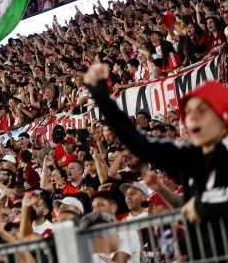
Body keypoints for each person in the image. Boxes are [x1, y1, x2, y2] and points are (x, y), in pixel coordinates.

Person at [84, 63, 228, 259]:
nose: (192, 117)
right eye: (189, 112)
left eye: (201, 110)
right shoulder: (187, 155)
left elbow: (206, 202)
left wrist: (203, 205)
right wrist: (100, 94)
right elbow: (137, 141)